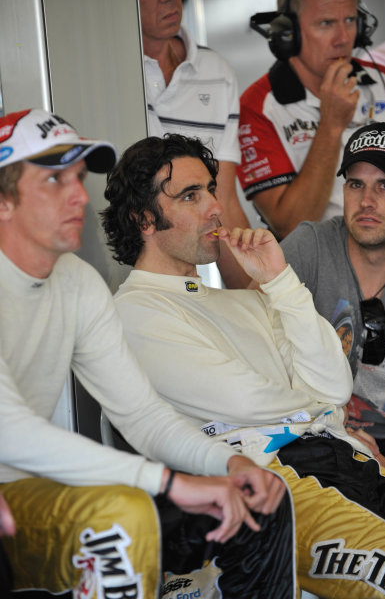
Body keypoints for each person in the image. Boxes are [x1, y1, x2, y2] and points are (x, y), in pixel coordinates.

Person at [0, 108, 291, 599]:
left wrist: (229, 465)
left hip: (27, 492)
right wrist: (168, 482)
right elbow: (7, 427)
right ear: (4, 201)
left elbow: (141, 415)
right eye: (53, 180)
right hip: (17, 490)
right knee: (124, 513)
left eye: (78, 177)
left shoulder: (77, 283)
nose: (78, 195)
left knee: (256, 502)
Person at [102, 132, 385, 599]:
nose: (216, 208)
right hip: (278, 478)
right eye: (190, 196)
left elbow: (334, 383)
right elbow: (248, 402)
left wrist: (279, 279)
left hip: (348, 462)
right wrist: (321, 413)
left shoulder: (247, 302)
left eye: (211, 191)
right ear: (144, 219)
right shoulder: (133, 312)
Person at [281, 121, 385, 470]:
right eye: (355, 184)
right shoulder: (310, 246)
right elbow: (252, 347)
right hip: (313, 436)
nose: (366, 201)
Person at [236, 0, 385, 239]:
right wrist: (331, 126)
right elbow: (290, 227)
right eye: (326, 23)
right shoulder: (257, 107)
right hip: (319, 266)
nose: (343, 39)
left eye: (351, 20)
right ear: (287, 33)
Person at [140, 0, 253, 288]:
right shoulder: (93, 68)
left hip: (189, 285)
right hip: (127, 275)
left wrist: (257, 303)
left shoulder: (215, 70)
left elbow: (222, 201)